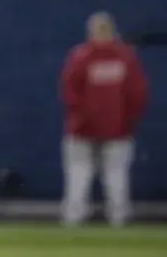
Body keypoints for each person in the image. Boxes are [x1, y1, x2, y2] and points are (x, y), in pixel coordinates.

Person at [59, 12, 147, 227]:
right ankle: (77, 219)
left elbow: (136, 94)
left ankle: (113, 219)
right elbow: (70, 93)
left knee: (111, 178)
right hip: (92, 129)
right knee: (84, 177)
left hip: (106, 129)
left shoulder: (88, 56)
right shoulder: (119, 57)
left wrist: (127, 120)